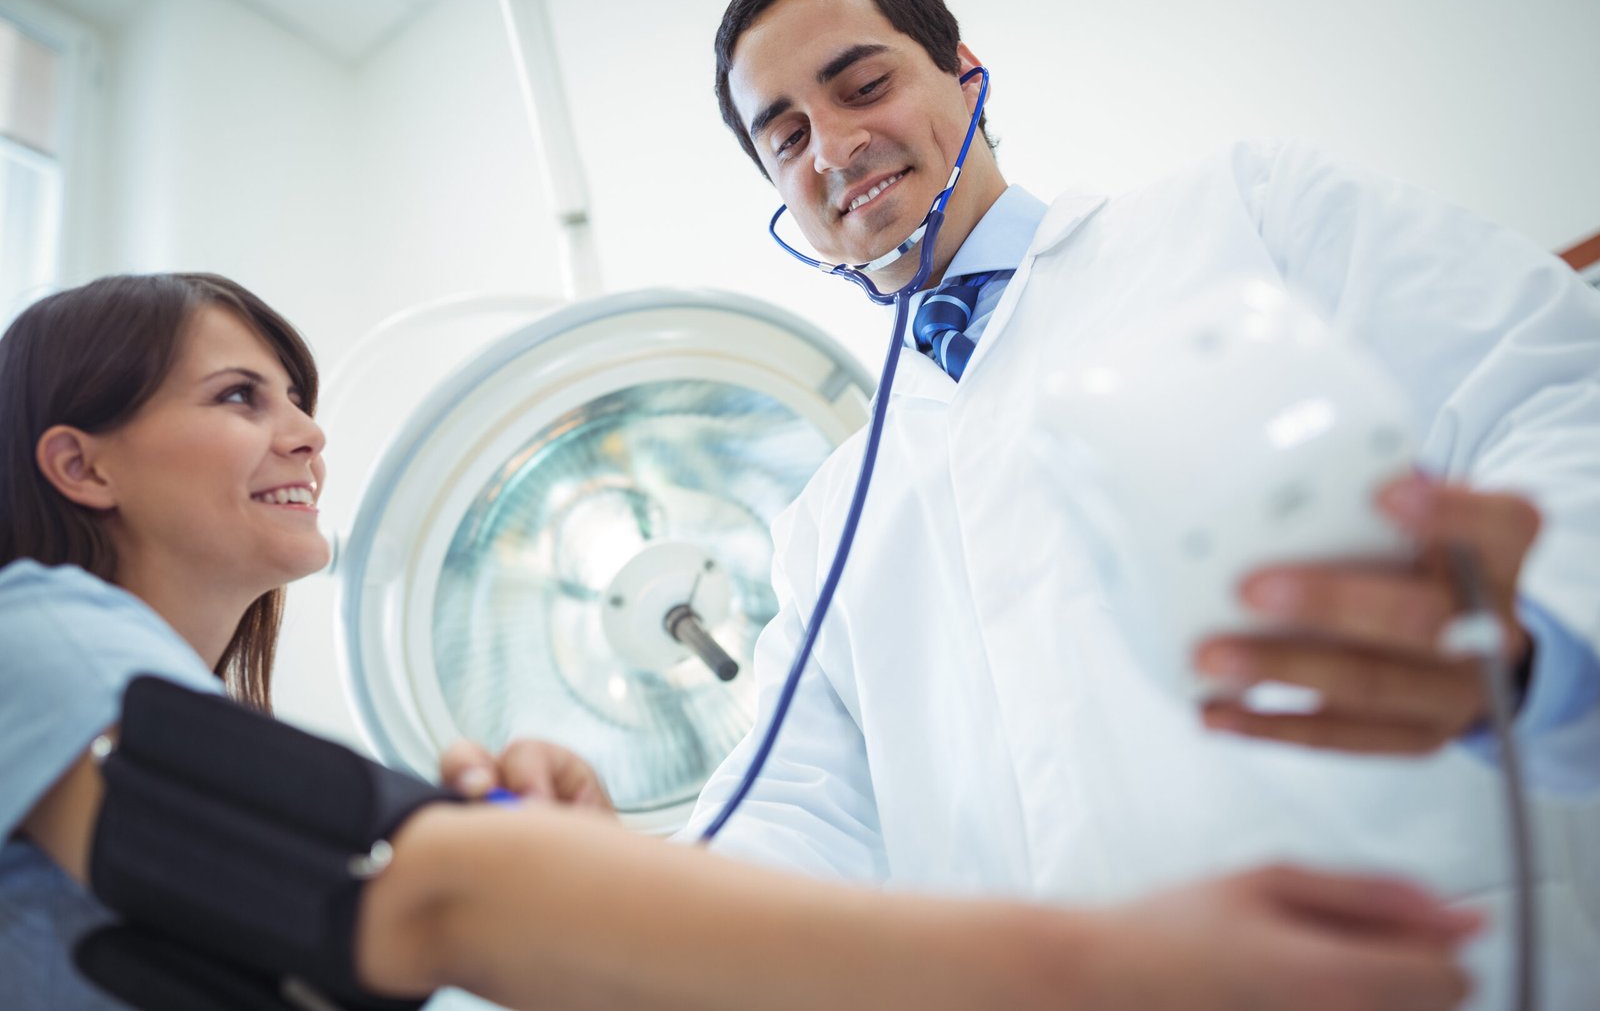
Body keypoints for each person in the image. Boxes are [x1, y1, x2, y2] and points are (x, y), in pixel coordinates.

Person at [1, 272, 1485, 1010]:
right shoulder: (23, 641)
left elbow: (401, 913)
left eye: (300, 395)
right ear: (81, 462)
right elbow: (420, 900)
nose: (308, 430)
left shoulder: (152, 734)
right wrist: (1100, 962)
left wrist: (559, 855)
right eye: (241, 396)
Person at [685, 0, 1600, 1007]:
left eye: (864, 84)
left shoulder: (1247, 214)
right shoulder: (823, 520)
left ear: (964, 73)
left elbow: (1553, 389)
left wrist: (1543, 636)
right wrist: (597, 891)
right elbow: (789, 808)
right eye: (786, 135)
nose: (835, 147)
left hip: (1430, 964)